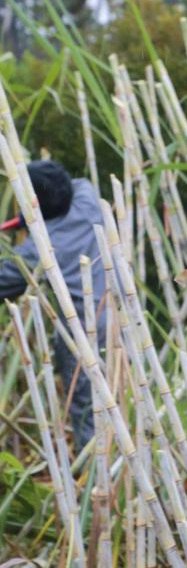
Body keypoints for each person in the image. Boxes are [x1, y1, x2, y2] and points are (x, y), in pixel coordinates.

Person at [0, 160, 106, 451]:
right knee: (114, 400)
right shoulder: (87, 198)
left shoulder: (38, 250)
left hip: (84, 332)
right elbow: (76, 184)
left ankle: (96, 485)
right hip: (119, 317)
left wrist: (31, 222)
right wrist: (28, 219)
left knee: (87, 412)